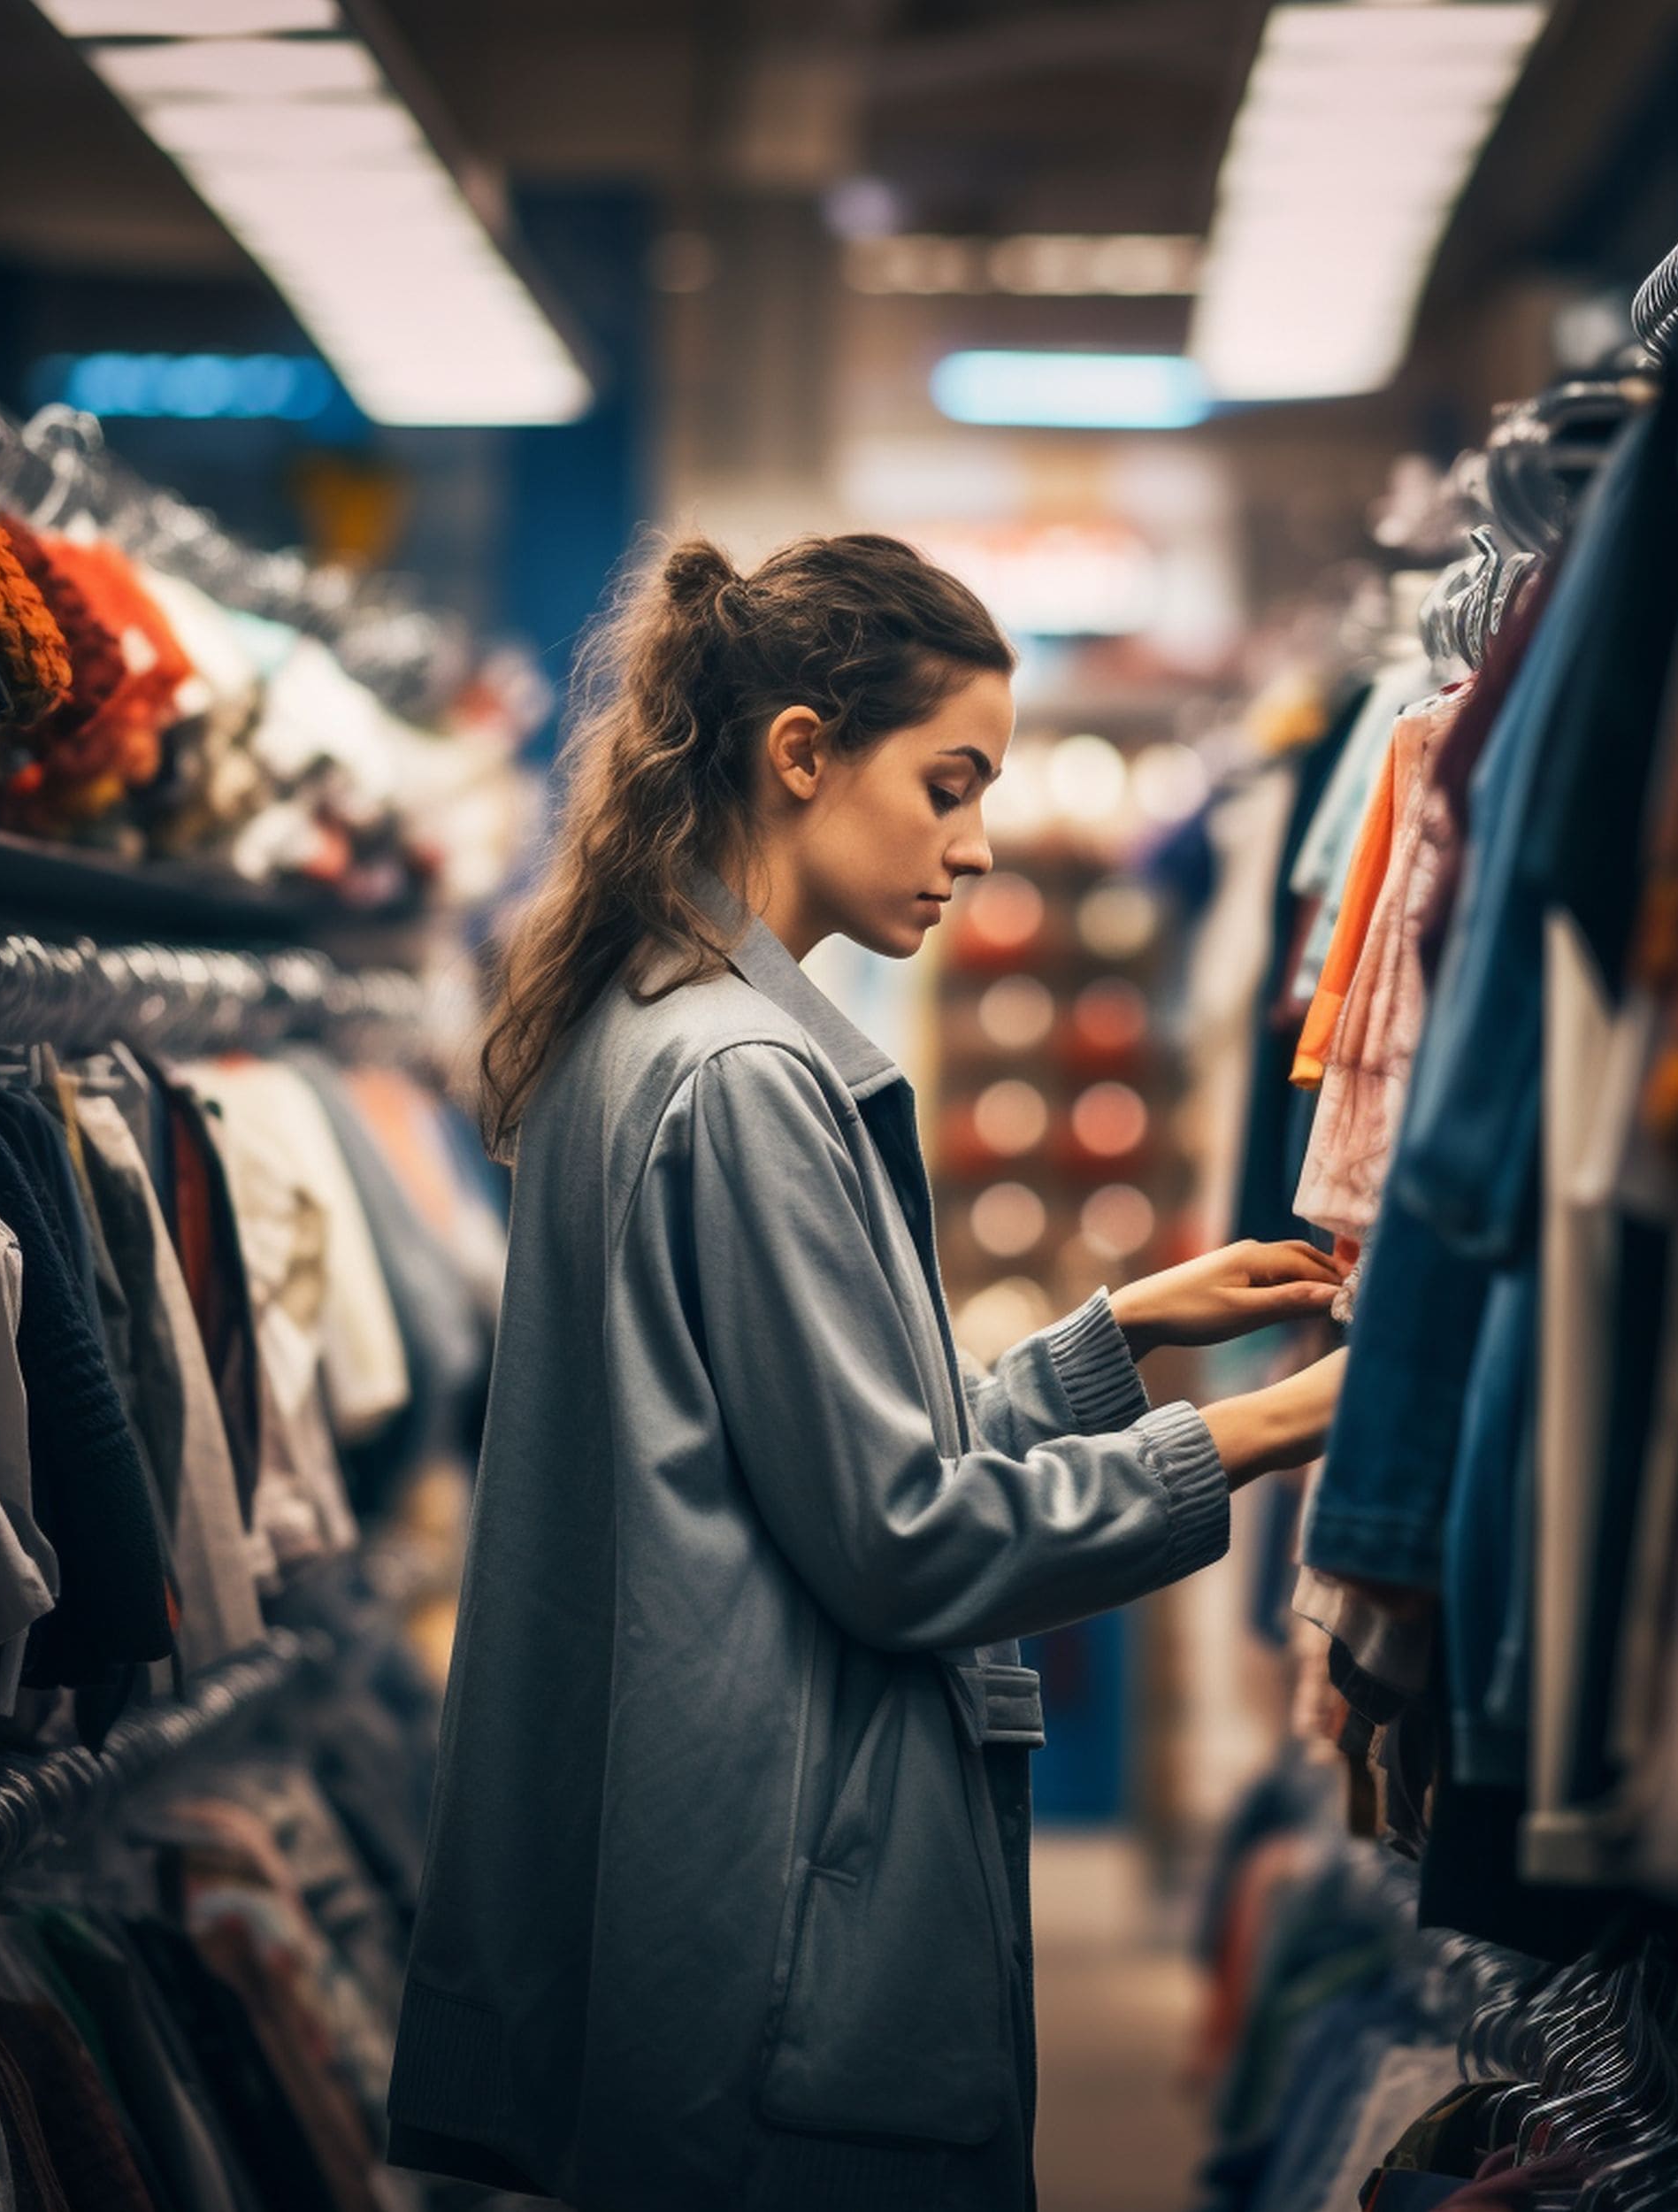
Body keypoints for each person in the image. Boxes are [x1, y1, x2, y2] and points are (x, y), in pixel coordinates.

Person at [386, 532, 1349, 2212]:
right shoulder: (750, 1076)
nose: (976, 848)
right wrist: (1263, 1427)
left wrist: (1111, 1345)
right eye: (951, 784)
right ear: (803, 754)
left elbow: (814, 1462)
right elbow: (903, 1535)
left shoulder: (644, 1025)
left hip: (707, 1887)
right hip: (788, 1922)